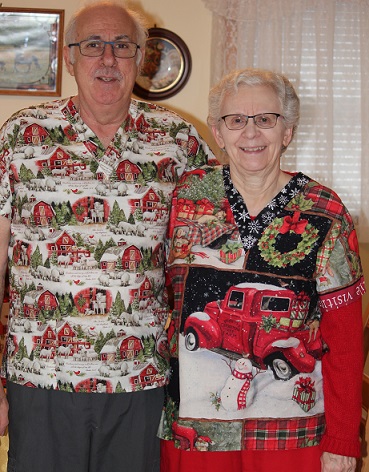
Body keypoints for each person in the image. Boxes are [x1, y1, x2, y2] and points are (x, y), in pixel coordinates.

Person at [0, 1, 215, 471]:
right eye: (93, 45)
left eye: (123, 46)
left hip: (141, 381)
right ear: (70, 58)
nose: (108, 58)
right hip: (39, 376)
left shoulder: (181, 141)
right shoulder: (21, 134)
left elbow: (206, 260)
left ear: (141, 59)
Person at [159, 68, 365, 472]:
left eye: (265, 119)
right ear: (218, 133)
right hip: (195, 432)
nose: (250, 133)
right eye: (236, 120)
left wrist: (342, 440)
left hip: (293, 435)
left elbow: (344, 342)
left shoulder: (326, 211)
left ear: (286, 131)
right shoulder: (185, 196)